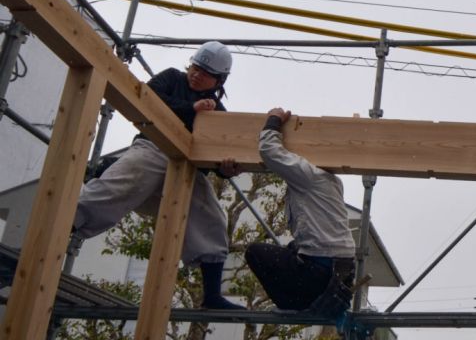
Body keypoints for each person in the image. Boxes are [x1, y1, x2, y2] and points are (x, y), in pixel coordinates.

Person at [73, 41, 243, 310]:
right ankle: (67, 226)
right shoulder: (172, 78)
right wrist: (192, 109)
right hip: (153, 147)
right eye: (196, 67)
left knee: (210, 215)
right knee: (120, 184)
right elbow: (148, 99)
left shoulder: (218, 114)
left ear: (218, 80)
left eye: (205, 72)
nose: (196, 74)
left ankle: (212, 295)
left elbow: (213, 158)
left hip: (185, 166)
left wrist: (225, 168)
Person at [245, 108, 356, 315]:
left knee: (255, 252)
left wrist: (274, 120)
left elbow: (269, 151)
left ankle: (293, 305)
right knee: (291, 249)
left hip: (320, 272)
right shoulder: (332, 180)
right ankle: (305, 301)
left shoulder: (309, 175)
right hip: (339, 271)